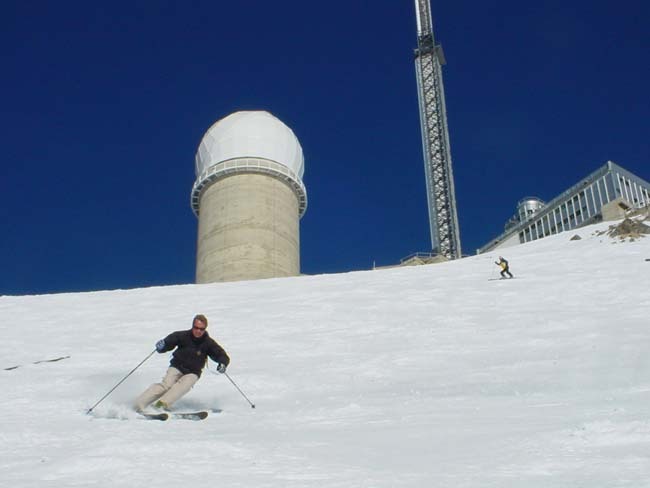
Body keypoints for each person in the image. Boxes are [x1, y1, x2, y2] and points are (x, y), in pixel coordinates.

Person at [134, 314, 230, 412]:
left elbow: (220, 354)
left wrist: (223, 363)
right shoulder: (183, 336)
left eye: (201, 329)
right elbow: (169, 342)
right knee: (166, 385)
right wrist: (163, 345)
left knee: (183, 386)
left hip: (193, 372)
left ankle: (160, 405)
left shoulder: (208, 343)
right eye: (196, 328)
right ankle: (138, 403)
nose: (198, 331)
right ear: (192, 326)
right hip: (177, 366)